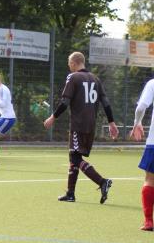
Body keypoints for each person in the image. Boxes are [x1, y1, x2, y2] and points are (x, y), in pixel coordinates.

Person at [44, 52, 119, 203]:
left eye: (68, 63)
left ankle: (102, 181)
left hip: (78, 125)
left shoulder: (73, 77)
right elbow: (106, 103)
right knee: (74, 156)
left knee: (75, 157)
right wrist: (111, 122)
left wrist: (53, 117)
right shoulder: (96, 79)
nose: (68, 66)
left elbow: (65, 102)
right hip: (91, 125)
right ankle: (70, 193)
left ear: (73, 63)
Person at [130, 78, 154, 231]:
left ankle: (148, 221)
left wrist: (137, 122)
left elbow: (141, 107)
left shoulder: (152, 83)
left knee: (150, 179)